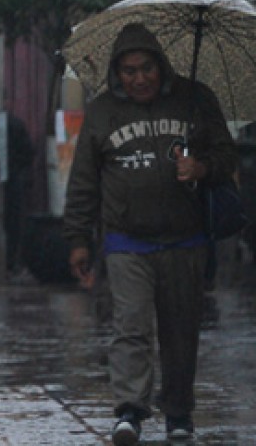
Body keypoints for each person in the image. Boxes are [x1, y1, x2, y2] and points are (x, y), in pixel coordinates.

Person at [63, 23, 237, 445]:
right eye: (128, 70)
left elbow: (226, 154)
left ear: (160, 67)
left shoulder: (196, 101)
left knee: (180, 330)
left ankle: (179, 414)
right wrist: (78, 239)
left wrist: (201, 167)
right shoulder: (103, 112)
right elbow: (84, 178)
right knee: (131, 326)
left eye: (146, 69)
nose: (138, 78)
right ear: (116, 73)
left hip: (186, 239)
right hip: (126, 240)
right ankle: (129, 410)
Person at [3, 112, 34, 275]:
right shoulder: (15, 123)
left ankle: (11, 261)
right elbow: (29, 152)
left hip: (9, 179)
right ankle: (12, 261)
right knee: (14, 223)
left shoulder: (7, 123)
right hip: (14, 179)